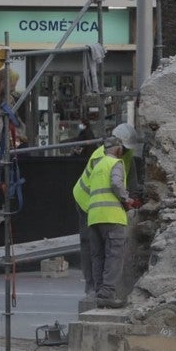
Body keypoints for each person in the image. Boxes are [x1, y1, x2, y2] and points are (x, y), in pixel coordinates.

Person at [72, 122, 139, 307]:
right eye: (123, 148)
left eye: (127, 149)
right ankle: (93, 288)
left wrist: (134, 198)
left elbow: (131, 182)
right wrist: (125, 202)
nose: (124, 151)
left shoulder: (126, 155)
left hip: (102, 204)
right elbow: (113, 185)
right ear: (116, 145)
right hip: (87, 200)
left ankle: (103, 289)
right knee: (91, 245)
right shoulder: (99, 156)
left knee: (101, 249)